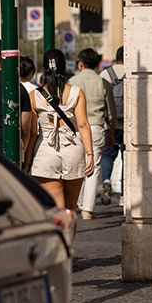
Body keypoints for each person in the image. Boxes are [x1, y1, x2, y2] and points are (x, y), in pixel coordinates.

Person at [25, 48, 95, 235]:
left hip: (45, 152)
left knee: (57, 209)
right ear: (65, 67)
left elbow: (32, 133)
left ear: (42, 69)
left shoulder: (35, 95)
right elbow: (83, 125)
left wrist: (27, 159)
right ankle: (68, 252)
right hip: (73, 150)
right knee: (71, 210)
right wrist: (90, 154)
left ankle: (58, 253)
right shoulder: (77, 92)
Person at [69, 48, 116, 219]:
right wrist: (111, 131)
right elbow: (111, 111)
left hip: (75, 128)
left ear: (80, 63)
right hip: (96, 127)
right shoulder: (103, 82)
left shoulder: (72, 81)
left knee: (77, 167)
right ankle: (88, 209)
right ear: (97, 65)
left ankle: (77, 203)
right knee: (93, 168)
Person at [100, 46, 125, 206]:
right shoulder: (132, 71)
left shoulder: (105, 74)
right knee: (127, 157)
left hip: (110, 123)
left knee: (108, 155)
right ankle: (124, 194)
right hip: (129, 123)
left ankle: (106, 180)